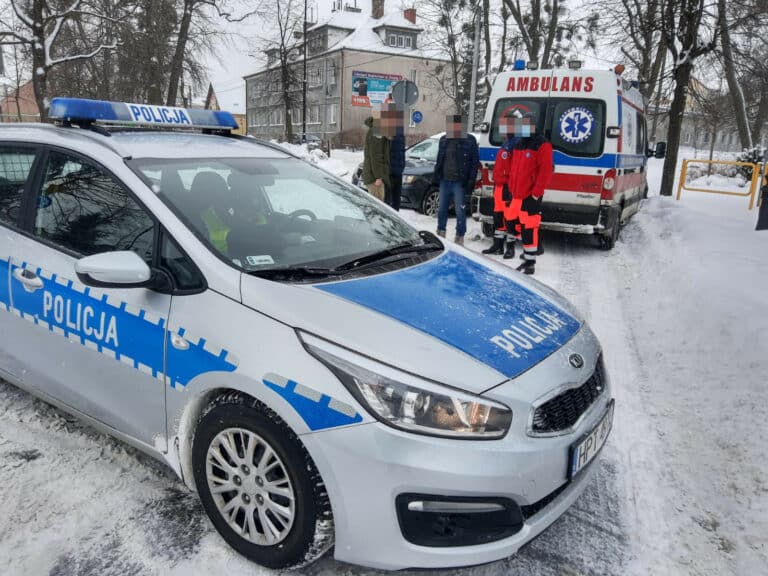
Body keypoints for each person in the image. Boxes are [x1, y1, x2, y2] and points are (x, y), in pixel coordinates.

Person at [501, 109, 553, 274]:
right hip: (516, 194)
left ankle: (530, 263)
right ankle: (526, 254)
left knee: (529, 227)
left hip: (530, 195)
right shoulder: (518, 144)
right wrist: (509, 189)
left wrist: (536, 193)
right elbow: (513, 170)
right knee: (513, 225)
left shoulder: (542, 144)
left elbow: (545, 171)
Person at [433, 115, 479, 245]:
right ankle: (441, 233)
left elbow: (474, 162)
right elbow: (439, 159)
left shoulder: (469, 140)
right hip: (444, 180)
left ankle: (460, 236)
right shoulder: (443, 139)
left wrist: (471, 180)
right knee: (442, 209)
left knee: (460, 210)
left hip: (460, 182)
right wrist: (436, 175)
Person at [482, 112, 519, 256]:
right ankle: (497, 246)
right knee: (498, 217)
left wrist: (511, 188)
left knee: (510, 218)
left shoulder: (516, 143)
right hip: (498, 186)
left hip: (507, 187)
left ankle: (510, 247)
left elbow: (516, 169)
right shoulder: (507, 142)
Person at [361, 110, 390, 201]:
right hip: (374, 178)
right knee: (377, 207)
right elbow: (376, 156)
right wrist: (379, 177)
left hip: (374, 176)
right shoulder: (377, 130)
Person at [385, 105, 405, 211]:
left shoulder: (399, 130)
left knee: (392, 203)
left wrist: (402, 166)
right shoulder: (387, 129)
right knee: (391, 203)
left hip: (395, 172)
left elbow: (402, 150)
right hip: (391, 172)